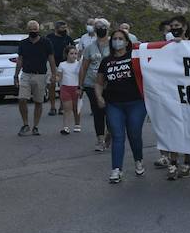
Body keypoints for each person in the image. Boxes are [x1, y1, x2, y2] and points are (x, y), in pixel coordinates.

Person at [96, 28, 146, 184]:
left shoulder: (135, 57)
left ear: (126, 41)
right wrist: (98, 96)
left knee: (134, 133)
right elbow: (98, 82)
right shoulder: (106, 61)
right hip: (114, 104)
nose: (117, 41)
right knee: (117, 136)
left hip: (136, 103)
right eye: (114, 38)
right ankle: (116, 169)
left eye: (120, 38)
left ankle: (138, 160)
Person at [153, 15, 190, 179]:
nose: (173, 28)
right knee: (174, 129)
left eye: (176, 25)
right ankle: (173, 162)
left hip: (189, 94)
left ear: (184, 27)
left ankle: (187, 162)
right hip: (171, 93)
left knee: (188, 130)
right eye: (171, 26)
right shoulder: (166, 46)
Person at [14, 19, 57, 136]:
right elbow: (20, 60)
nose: (33, 31)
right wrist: (15, 75)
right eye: (31, 29)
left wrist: (54, 74)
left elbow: (51, 59)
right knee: (22, 99)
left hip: (40, 75)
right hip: (26, 74)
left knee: (38, 101)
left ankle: (36, 126)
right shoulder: (23, 43)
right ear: (28, 30)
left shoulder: (46, 42)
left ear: (38, 30)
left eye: (35, 29)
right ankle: (25, 124)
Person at [78, 18, 111, 151]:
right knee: (98, 112)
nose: (100, 28)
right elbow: (83, 67)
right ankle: (100, 140)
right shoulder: (90, 48)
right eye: (97, 26)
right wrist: (80, 86)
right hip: (92, 84)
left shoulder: (114, 45)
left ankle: (110, 134)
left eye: (102, 26)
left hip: (110, 84)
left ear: (108, 28)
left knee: (110, 111)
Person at [46, 21, 75, 116]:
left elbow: (73, 50)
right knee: (52, 85)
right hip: (51, 64)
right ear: (56, 28)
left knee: (64, 86)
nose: (64, 30)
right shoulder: (49, 38)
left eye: (65, 28)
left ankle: (62, 107)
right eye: (62, 28)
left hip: (64, 64)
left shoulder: (68, 39)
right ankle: (52, 107)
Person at [55, 44, 83, 135]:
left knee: (76, 108)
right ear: (66, 55)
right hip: (65, 88)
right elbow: (59, 76)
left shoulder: (79, 64)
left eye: (75, 53)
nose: (74, 55)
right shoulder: (62, 65)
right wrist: (56, 79)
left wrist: (80, 87)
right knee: (67, 109)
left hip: (76, 88)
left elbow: (81, 76)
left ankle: (77, 124)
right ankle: (66, 127)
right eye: (71, 53)